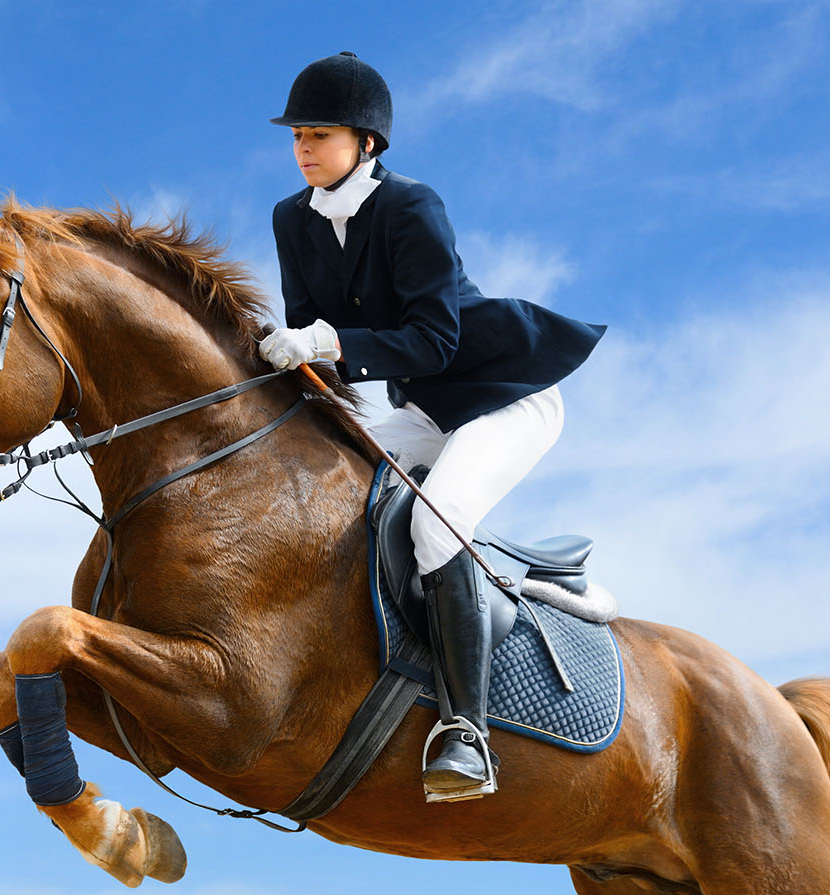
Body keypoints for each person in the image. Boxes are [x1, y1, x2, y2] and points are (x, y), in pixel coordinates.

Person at [260, 52, 606, 801]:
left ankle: (466, 732)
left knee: (433, 528)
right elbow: (304, 341)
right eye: (297, 136)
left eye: (319, 133)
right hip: (426, 407)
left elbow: (433, 343)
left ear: (367, 142)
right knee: (339, 500)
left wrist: (325, 343)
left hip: (504, 392)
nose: (303, 148)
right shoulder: (292, 219)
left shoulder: (412, 207)